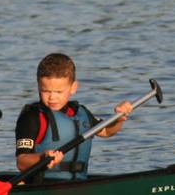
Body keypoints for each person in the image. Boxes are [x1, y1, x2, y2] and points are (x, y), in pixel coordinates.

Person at [14, 53, 132, 181]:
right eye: (46, 91)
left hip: (78, 186)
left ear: (73, 87)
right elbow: (21, 162)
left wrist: (119, 119)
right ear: (38, 86)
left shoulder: (81, 113)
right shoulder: (32, 117)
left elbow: (106, 131)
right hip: (42, 187)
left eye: (59, 92)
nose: (52, 97)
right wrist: (43, 157)